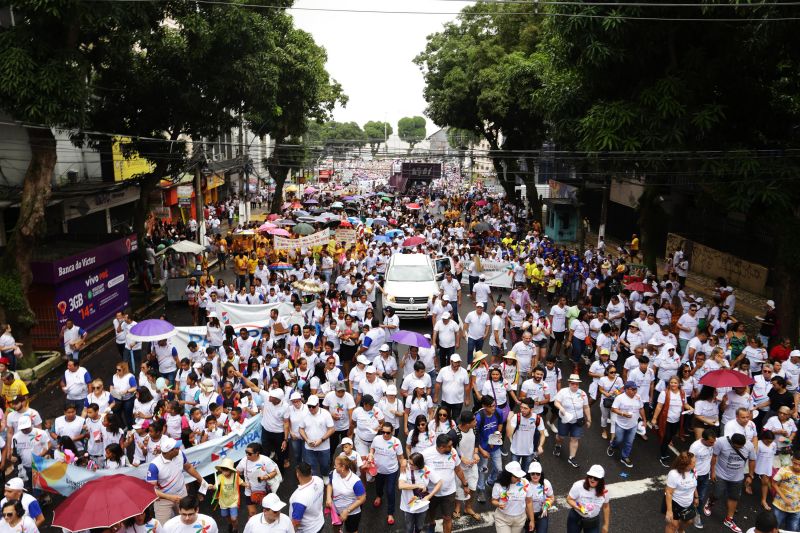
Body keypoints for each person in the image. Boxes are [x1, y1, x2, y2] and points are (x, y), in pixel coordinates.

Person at [146, 437, 206, 524]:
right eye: (177, 448)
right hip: (163, 500)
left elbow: (188, 467)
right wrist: (170, 497)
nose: (179, 448)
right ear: (169, 451)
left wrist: (201, 480)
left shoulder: (180, 454)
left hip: (182, 495)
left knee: (187, 521)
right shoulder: (154, 466)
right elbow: (151, 490)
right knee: (163, 527)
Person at [423, 434, 471, 533]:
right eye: (449, 446)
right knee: (431, 514)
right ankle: (432, 524)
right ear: (441, 447)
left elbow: (458, 470)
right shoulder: (426, 454)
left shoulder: (453, 452)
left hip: (449, 493)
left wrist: (465, 485)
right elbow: (418, 469)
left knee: (448, 518)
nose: (452, 447)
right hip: (432, 493)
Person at [710, 432, 755, 533]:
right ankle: (710, 502)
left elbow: (752, 460)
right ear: (731, 443)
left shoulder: (749, 446)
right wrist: (712, 472)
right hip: (721, 474)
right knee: (717, 494)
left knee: (734, 497)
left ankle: (729, 519)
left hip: (737, 477)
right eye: (737, 447)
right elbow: (714, 457)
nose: (739, 449)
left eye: (741, 447)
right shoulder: (720, 442)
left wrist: (750, 475)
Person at [368, 422, 405, 524]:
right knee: (378, 487)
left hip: (391, 471)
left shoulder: (396, 442)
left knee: (390, 491)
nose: (385, 434)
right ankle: (379, 496)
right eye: (383, 432)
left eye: (387, 433)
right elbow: (372, 448)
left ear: (392, 432)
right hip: (378, 470)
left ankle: (390, 513)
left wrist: (404, 471)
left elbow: (401, 458)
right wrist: (371, 454)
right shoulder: (376, 439)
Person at [651, 375, 692, 467]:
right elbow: (659, 406)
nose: (673, 384)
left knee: (671, 436)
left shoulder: (682, 393)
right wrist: (654, 418)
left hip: (677, 420)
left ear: (679, 384)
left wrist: (690, 408)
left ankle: (664, 450)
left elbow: (685, 404)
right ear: (669, 383)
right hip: (666, 420)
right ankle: (663, 456)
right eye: (671, 382)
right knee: (666, 437)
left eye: (675, 383)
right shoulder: (664, 393)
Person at [553, 374, 591, 469]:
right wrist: (561, 408)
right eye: (573, 383)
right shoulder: (563, 392)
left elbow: (586, 407)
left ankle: (571, 457)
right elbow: (556, 402)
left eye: (577, 384)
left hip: (577, 421)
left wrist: (589, 419)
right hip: (564, 419)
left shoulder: (582, 394)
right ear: (569, 383)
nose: (575, 385)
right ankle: (558, 445)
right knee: (561, 436)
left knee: (575, 438)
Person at [398, 452, 443, 533]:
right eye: (409, 462)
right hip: (408, 505)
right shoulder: (405, 468)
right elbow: (400, 485)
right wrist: (417, 485)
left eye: (412, 464)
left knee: (419, 526)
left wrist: (429, 496)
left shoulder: (426, 470)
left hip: (422, 505)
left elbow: (439, 482)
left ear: (418, 465)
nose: (409, 465)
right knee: (409, 528)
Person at [607, 381, 646, 468]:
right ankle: (612, 445)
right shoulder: (620, 398)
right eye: (633, 389)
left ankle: (624, 457)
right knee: (619, 440)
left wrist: (644, 420)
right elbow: (613, 409)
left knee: (629, 442)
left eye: (636, 389)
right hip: (621, 424)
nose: (635, 391)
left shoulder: (638, 397)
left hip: (633, 425)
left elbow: (641, 409)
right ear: (626, 389)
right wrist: (623, 414)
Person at [490, 461, 535, 533]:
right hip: (502, 519)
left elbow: (529, 502)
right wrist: (498, 504)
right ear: (508, 475)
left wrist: (532, 520)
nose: (519, 479)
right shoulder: (499, 485)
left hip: (520, 520)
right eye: (516, 477)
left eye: (520, 476)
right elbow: (493, 500)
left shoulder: (525, 483)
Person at [326, 455, 366, 533]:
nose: (334, 467)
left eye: (336, 465)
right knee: (336, 528)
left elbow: (362, 499)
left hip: (352, 513)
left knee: (352, 530)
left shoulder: (356, 481)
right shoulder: (334, 473)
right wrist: (328, 497)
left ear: (343, 467)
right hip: (336, 510)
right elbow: (330, 484)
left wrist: (347, 511)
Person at [298, 395, 335, 479]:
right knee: (311, 465)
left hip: (324, 446)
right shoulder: (304, 414)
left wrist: (321, 440)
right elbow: (301, 429)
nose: (311, 408)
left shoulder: (325, 414)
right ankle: (315, 480)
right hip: (309, 446)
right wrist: (307, 440)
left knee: (325, 464)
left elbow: (332, 429)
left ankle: (325, 475)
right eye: (309, 406)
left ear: (318, 404)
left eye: (313, 406)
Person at [566, 465, 610, 533]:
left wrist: (606, 525)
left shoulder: (604, 491)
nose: (592, 479)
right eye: (590, 476)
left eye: (596, 478)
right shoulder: (578, 486)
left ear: (601, 480)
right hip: (576, 517)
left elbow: (606, 507)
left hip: (593, 521)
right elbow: (569, 499)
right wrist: (580, 508)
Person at [475, 396, 504, 503]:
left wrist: (497, 435)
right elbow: (475, 436)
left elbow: (500, 424)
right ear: (484, 406)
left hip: (495, 446)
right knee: (483, 469)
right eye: (491, 406)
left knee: (499, 469)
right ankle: (481, 490)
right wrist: (482, 451)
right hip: (483, 448)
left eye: (494, 405)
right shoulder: (479, 418)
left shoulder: (498, 412)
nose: (494, 408)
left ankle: (491, 481)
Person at [664, 452, 699, 533]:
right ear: (686, 465)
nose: (695, 463)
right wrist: (669, 511)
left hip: (688, 503)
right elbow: (668, 492)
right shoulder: (674, 474)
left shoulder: (693, 470)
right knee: (673, 525)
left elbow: (694, 484)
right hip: (675, 503)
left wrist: (696, 497)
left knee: (689, 521)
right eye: (693, 462)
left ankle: (680, 530)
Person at [506, 397, 545, 471]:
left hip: (529, 452)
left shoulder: (538, 419)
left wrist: (540, 446)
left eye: (525, 408)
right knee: (513, 472)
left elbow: (542, 434)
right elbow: (509, 434)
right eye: (521, 407)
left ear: (531, 409)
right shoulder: (516, 417)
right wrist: (508, 420)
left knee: (525, 472)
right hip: (515, 451)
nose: (522, 410)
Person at [454, 410, 480, 520]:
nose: (476, 422)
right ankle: (457, 508)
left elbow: (476, 441)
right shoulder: (454, 434)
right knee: (459, 487)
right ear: (467, 423)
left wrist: (475, 453)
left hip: (472, 465)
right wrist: (461, 458)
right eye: (474, 420)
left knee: (473, 487)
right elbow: (449, 449)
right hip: (459, 467)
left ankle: (468, 507)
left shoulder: (473, 429)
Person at [689, 429, 717, 529]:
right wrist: (691, 477)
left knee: (700, 497)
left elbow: (713, 458)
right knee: (692, 496)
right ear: (703, 439)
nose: (713, 444)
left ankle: (697, 515)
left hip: (705, 476)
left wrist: (712, 472)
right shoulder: (695, 447)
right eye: (711, 442)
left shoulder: (712, 444)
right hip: (695, 476)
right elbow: (689, 463)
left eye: (714, 441)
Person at [289, 462, 325, 533]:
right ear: (310, 471)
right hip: (320, 522)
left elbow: (296, 522)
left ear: (297, 474)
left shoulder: (298, 498)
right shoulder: (319, 480)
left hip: (308, 530)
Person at [770, 450, 800, 531]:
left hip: (796, 509)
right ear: (792, 460)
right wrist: (784, 498)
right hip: (779, 506)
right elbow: (773, 483)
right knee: (774, 529)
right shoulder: (784, 470)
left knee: (792, 530)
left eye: (799, 464)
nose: (797, 466)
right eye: (795, 463)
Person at [434, 354, 470, 419]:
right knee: (444, 418)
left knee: (455, 419)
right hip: (445, 400)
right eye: (455, 362)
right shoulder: (443, 370)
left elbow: (467, 386)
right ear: (451, 362)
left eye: (458, 362)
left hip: (458, 401)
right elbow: (438, 384)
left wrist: (467, 398)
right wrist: (436, 396)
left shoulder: (464, 372)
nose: (457, 364)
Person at [213, 458, 242, 532]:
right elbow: (215, 485)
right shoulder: (220, 477)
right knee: (226, 515)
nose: (224, 472)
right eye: (223, 470)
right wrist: (212, 487)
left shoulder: (235, 476)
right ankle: (231, 524)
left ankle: (235, 528)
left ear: (231, 470)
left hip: (233, 501)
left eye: (226, 470)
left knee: (234, 518)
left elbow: (241, 482)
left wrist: (247, 484)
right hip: (223, 502)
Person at [528, 462, 554, 533]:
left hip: (541, 513)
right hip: (528, 515)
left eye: (538, 473)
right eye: (533, 473)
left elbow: (551, 498)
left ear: (541, 474)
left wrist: (546, 505)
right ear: (529, 474)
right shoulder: (525, 484)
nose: (535, 476)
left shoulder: (546, 483)